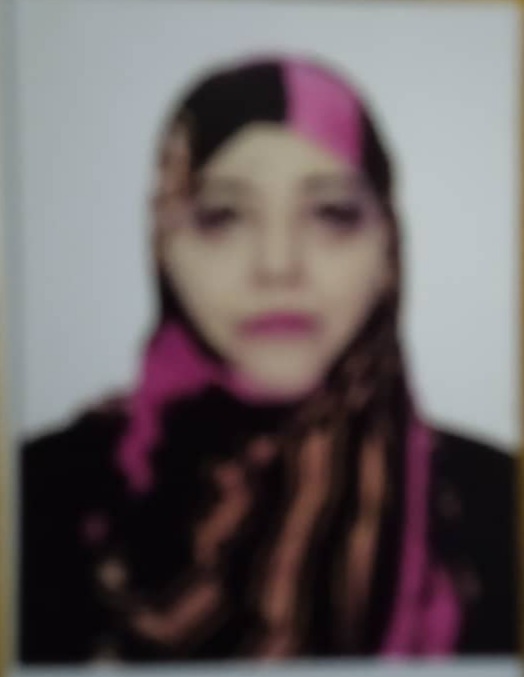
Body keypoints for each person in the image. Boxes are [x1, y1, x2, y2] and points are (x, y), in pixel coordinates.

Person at [20, 55, 517, 663]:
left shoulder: (500, 505)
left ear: (389, 249)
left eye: (332, 213)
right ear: (162, 243)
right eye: (221, 216)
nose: (278, 266)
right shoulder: (36, 497)